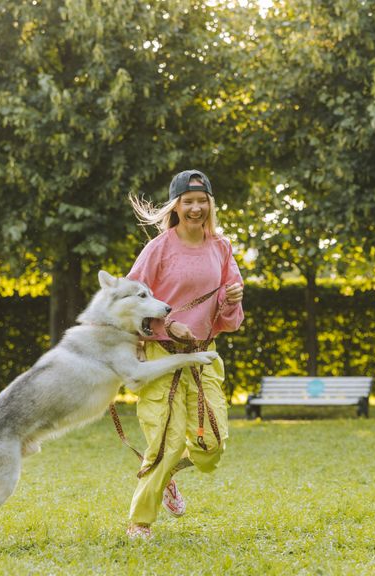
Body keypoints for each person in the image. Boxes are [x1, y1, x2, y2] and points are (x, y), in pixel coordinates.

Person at [123, 169, 244, 539]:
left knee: (211, 447)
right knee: (166, 443)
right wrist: (164, 326)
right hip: (162, 356)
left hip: (202, 358)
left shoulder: (221, 248)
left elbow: (230, 318)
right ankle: (140, 522)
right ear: (175, 206)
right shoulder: (158, 249)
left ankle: (169, 475)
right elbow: (130, 302)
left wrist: (229, 300)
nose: (195, 208)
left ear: (210, 204)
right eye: (188, 201)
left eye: (201, 201)